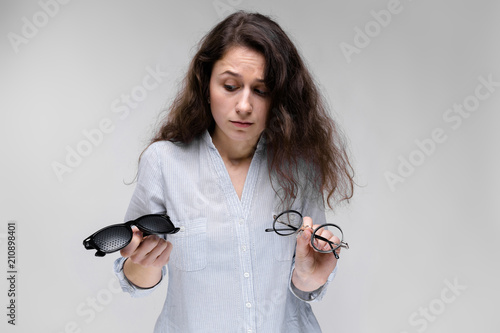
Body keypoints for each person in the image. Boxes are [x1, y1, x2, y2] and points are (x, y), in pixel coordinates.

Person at [113, 11, 354, 332]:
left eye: (261, 90)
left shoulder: (300, 164)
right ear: (205, 84)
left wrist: (311, 274)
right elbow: (135, 279)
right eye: (230, 86)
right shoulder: (163, 162)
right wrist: (142, 263)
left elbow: (306, 284)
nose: (244, 105)